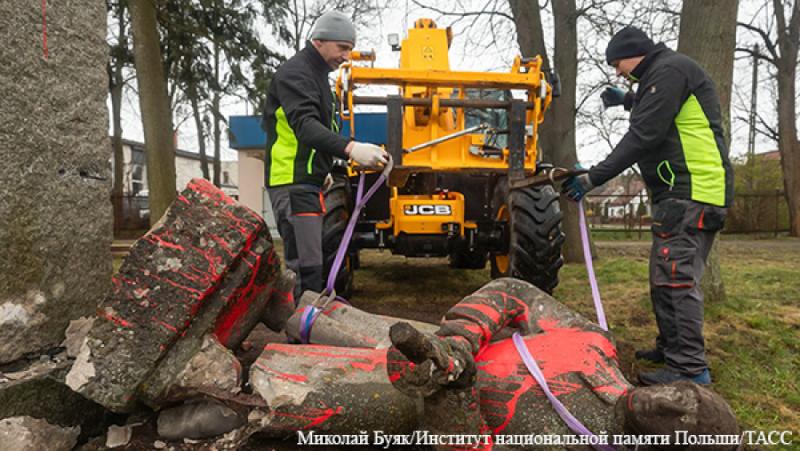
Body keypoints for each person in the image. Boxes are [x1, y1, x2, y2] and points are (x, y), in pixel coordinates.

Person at [561, 26, 733, 386]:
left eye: (617, 64)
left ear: (634, 52)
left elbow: (645, 134)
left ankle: (688, 369)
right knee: (664, 277)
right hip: (682, 192)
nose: (617, 71)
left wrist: (594, 177)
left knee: (676, 280)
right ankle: (673, 350)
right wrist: (626, 100)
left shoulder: (669, 70)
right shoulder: (663, 74)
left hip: (691, 192)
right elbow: (659, 108)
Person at [262, 10, 387, 298]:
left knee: (312, 267)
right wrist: (352, 149)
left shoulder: (317, 77)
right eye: (342, 47)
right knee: (306, 270)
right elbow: (306, 127)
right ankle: (300, 338)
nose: (346, 56)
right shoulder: (296, 73)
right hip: (293, 182)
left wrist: (325, 170)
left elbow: (318, 132)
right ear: (319, 41)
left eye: (350, 49)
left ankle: (305, 331)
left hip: (308, 182)